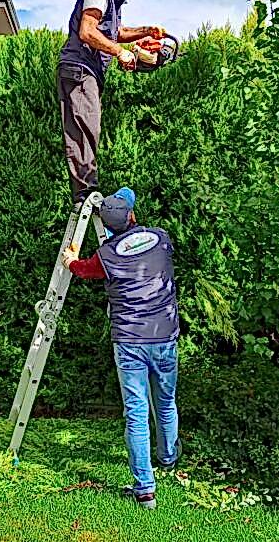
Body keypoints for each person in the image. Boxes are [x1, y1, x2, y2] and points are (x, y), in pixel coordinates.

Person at [60, 188, 181, 509]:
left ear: (106, 228)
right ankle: (168, 458)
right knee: (165, 402)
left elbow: (83, 269)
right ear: (133, 215)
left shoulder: (106, 256)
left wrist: (70, 261)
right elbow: (128, 198)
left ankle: (145, 490)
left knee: (137, 413)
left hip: (130, 342)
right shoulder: (161, 238)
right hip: (165, 335)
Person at [57, 0, 166, 206]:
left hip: (86, 70)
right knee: (85, 128)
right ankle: (85, 195)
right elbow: (87, 31)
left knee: (88, 126)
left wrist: (146, 31)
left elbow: (116, 32)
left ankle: (86, 191)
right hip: (80, 69)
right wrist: (119, 52)